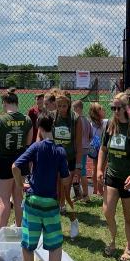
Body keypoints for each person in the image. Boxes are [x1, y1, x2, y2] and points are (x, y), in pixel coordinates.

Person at [11, 114, 72, 261]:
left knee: (27, 245)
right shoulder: (60, 151)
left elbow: (15, 167)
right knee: (55, 246)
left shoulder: (35, 147)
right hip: (51, 204)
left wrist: (21, 185)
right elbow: (65, 179)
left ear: (38, 127)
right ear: (53, 127)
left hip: (33, 203)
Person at [97, 92, 130, 261]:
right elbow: (103, 149)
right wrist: (99, 170)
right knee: (107, 211)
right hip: (112, 176)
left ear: (126, 108)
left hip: (128, 180)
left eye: (119, 108)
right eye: (113, 108)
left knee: (127, 216)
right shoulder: (110, 125)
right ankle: (113, 240)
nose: (115, 111)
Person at [0, 89, 31, 235]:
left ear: (4, 103)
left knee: (5, 199)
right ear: (17, 103)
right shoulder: (27, 119)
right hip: (21, 161)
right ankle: (19, 230)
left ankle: (1, 232)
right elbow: (28, 142)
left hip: (4, 161)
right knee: (18, 199)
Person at [46, 90, 82, 239]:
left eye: (64, 106)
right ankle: (54, 227)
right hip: (55, 160)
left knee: (66, 195)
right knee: (54, 194)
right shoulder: (52, 117)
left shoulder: (75, 119)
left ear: (69, 104)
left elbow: (78, 144)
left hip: (70, 160)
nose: (61, 109)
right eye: (59, 105)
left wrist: (79, 166)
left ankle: (74, 221)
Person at [86, 102, 107, 198]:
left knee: (95, 168)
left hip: (94, 147)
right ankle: (100, 190)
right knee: (102, 169)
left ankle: (95, 189)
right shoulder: (105, 122)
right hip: (103, 148)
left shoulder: (90, 124)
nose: (104, 110)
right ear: (98, 113)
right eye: (102, 109)